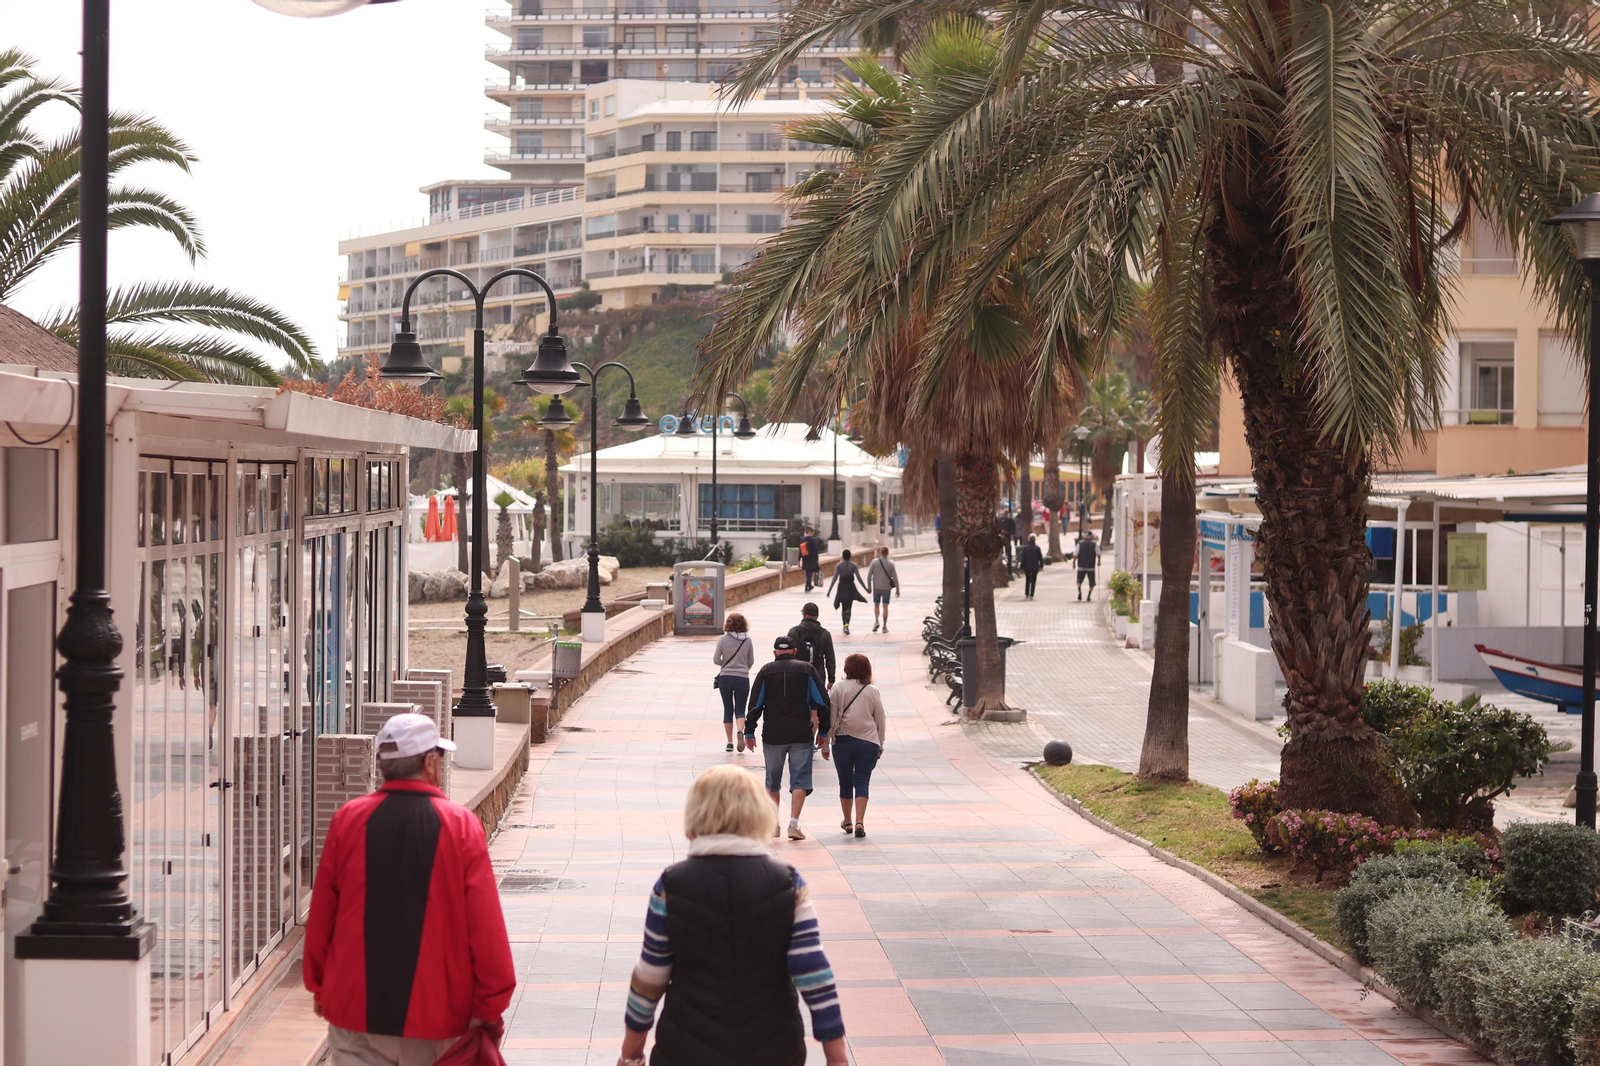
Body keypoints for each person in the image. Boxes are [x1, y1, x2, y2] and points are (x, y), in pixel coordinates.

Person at [305, 713, 514, 1066]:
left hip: (357, 1011)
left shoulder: (348, 820)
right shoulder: (460, 826)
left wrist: (321, 987)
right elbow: (485, 929)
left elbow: (323, 916)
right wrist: (489, 1006)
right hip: (439, 1017)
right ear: (430, 763)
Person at [616, 764, 848, 1066]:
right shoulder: (788, 883)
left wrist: (631, 1052)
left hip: (685, 1049)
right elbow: (814, 975)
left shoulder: (671, 885)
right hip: (775, 1049)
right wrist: (837, 1058)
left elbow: (650, 976)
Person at [745, 636, 831, 840]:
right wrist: (824, 731)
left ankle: (773, 824)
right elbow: (823, 703)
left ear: (775, 652)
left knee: (772, 780)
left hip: (773, 734)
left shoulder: (766, 671)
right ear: (794, 652)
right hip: (801, 733)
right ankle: (793, 824)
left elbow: (756, 704)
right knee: (800, 779)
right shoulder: (807, 670)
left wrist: (749, 731)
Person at [828, 654, 887, 839]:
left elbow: (832, 716)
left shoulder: (838, 687)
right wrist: (880, 743)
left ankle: (847, 821)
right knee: (862, 781)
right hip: (868, 741)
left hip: (843, 740)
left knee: (845, 781)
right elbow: (880, 719)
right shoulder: (872, 690)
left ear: (847, 668)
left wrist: (827, 740)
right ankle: (860, 821)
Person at [712, 612, 754, 753]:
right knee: (741, 709)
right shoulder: (747, 640)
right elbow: (751, 661)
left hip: (725, 678)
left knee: (728, 709)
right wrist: (742, 668)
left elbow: (716, 659)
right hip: (742, 678)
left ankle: (729, 742)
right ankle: (740, 731)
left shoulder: (723, 640)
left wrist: (726, 665)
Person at [788, 603, 836, 686]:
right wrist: (831, 679)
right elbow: (830, 658)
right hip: (818, 674)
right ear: (817, 616)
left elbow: (787, 655)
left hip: (797, 674)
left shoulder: (794, 632)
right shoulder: (825, 634)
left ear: (804, 615)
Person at [826, 548, 867, 635]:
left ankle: (844, 625)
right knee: (848, 607)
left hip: (842, 588)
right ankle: (846, 625)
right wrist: (866, 588)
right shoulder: (854, 565)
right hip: (850, 588)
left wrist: (829, 590)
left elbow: (835, 578)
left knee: (843, 607)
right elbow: (859, 578)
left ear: (843, 556)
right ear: (850, 556)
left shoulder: (839, 565)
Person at [865, 546, 901, 633]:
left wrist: (869, 587)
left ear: (880, 553)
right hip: (886, 588)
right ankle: (884, 626)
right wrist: (897, 589)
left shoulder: (874, 562)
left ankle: (876, 621)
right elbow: (895, 578)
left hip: (876, 588)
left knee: (876, 605)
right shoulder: (890, 563)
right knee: (885, 606)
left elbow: (869, 575)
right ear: (887, 553)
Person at [1018, 534, 1045, 599]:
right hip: (1035, 567)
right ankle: (1031, 594)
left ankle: (1027, 593)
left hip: (1027, 567)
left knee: (1027, 579)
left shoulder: (1025, 548)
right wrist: (1041, 566)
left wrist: (1022, 567)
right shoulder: (1037, 548)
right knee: (1033, 580)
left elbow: (1023, 558)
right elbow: (1040, 558)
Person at [797, 525, 823, 592]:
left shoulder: (802, 539)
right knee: (810, 571)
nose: (813, 533)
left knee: (807, 572)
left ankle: (809, 585)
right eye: (813, 532)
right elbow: (815, 550)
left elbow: (800, 550)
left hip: (805, 557)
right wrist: (817, 560)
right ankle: (807, 585)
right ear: (810, 532)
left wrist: (798, 560)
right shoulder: (812, 539)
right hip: (812, 558)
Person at [1076, 530, 1099, 601]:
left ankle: (1079, 592)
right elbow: (1099, 553)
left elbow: (1075, 554)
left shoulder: (1080, 543)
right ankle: (1089, 595)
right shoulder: (1094, 544)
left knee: (1079, 581)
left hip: (1081, 566)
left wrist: (1074, 562)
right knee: (1091, 582)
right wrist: (1099, 561)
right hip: (1091, 566)